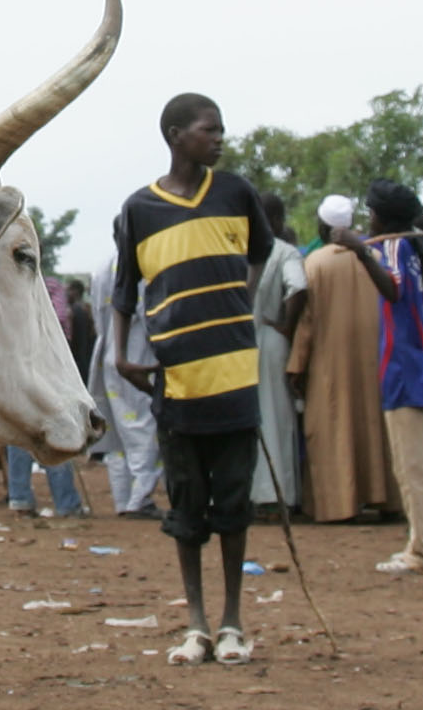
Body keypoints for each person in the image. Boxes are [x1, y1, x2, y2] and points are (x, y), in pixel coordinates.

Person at [109, 93, 273, 665]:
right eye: (210, 130)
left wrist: (239, 302)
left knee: (233, 505)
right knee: (186, 509)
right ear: (177, 135)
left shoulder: (236, 193)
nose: (220, 138)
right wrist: (120, 355)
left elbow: (261, 251)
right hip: (174, 383)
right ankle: (196, 622)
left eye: (222, 130)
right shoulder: (139, 210)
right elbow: (125, 290)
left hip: (234, 376)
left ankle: (232, 622)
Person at [338, 181, 423, 573]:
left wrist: (359, 252)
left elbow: (393, 289)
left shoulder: (394, 246)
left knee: (413, 466)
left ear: (383, 216)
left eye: (370, 212)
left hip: (406, 366)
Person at [288, 194, 397, 524]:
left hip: (329, 364)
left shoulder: (315, 263)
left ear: (322, 225)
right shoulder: (375, 258)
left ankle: (339, 505)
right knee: (377, 428)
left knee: (334, 428)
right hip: (378, 362)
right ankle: (388, 500)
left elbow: (306, 322)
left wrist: (295, 366)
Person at [8, 276, 95, 518]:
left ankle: (20, 499)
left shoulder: (2, 283)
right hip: (47, 364)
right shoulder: (51, 286)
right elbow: (58, 321)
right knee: (57, 426)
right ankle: (66, 503)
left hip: (15, 364)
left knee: (17, 430)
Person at [87, 249, 161, 518]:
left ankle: (123, 499)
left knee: (117, 433)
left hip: (108, 353)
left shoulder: (103, 266)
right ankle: (140, 498)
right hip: (136, 356)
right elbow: (148, 314)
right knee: (143, 426)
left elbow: (97, 311)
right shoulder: (142, 262)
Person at [248, 191, 309, 513]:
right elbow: (298, 287)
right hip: (272, 341)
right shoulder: (284, 252)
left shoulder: (235, 249)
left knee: (249, 420)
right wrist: (287, 324)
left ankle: (251, 495)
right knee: (277, 418)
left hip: (239, 344)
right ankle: (278, 495)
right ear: (278, 220)